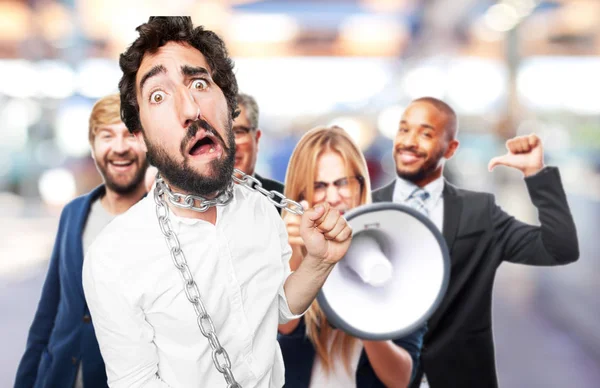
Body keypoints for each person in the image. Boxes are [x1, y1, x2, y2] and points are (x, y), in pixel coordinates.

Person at [82, 16, 352, 388]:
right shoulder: (112, 256)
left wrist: (319, 262)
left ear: (228, 104)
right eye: (157, 95)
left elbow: (277, 308)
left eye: (199, 82)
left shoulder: (260, 206)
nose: (190, 108)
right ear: (141, 135)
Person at [372, 97, 579, 388]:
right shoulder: (366, 210)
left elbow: (560, 248)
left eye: (426, 133)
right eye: (404, 130)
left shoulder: (479, 213)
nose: (409, 141)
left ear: (451, 148)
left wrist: (536, 175)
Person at [15, 94, 149, 388]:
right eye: (107, 136)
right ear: (93, 147)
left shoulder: (163, 220)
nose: (119, 148)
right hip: (57, 377)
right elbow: (48, 312)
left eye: (130, 135)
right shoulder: (74, 213)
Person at [278, 125, 426, 388]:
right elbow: (285, 328)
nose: (334, 197)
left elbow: (401, 378)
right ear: (301, 195)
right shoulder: (278, 249)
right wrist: (294, 255)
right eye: (319, 186)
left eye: (342, 182)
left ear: (360, 185)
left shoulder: (400, 251)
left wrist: (363, 314)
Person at [233, 93, 285, 210]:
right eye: (221, 134)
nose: (231, 145)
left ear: (256, 139)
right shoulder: (190, 205)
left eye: (239, 132)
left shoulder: (286, 200)